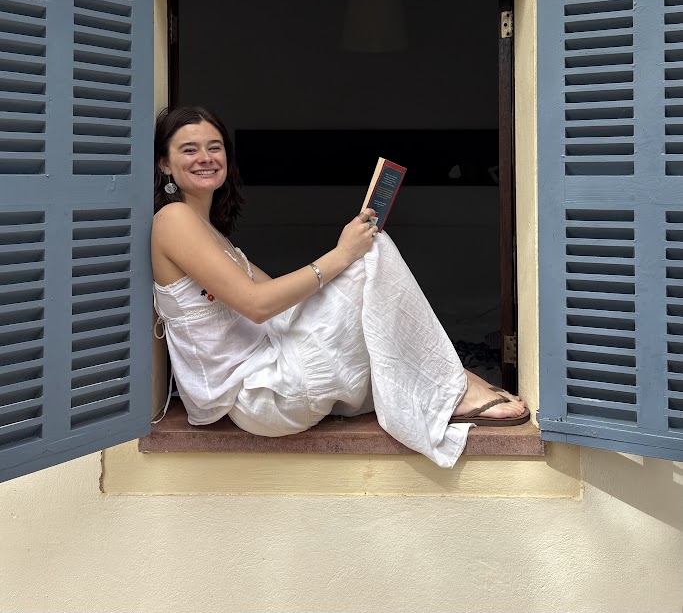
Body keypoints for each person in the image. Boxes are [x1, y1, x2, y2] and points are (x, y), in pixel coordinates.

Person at [151, 106, 529, 468]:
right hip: (256, 395)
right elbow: (257, 304)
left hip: (269, 379)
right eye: (189, 149)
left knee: (365, 258)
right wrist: (343, 255)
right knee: (368, 257)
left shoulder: (212, 234)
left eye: (214, 147)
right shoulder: (174, 219)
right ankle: (455, 384)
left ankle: (452, 379)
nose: (205, 157)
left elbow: (283, 303)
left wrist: (344, 262)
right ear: (165, 164)